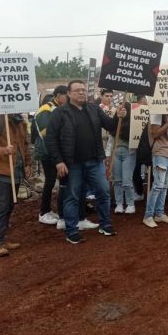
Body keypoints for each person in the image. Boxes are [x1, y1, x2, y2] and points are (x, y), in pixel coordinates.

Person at [46, 80, 124, 244]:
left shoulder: (94, 109)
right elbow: (51, 140)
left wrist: (118, 116)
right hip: (72, 163)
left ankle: (105, 224)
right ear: (68, 93)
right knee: (72, 196)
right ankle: (71, 231)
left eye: (83, 90)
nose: (81, 92)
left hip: (94, 161)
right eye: (77, 90)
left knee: (103, 192)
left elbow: (110, 125)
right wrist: (59, 161)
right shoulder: (59, 113)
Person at [0, 114, 31, 257]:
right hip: (1, 171)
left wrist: (27, 163)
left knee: (9, 206)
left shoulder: (21, 122)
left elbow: (25, 145)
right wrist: (3, 150)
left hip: (17, 171)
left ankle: (2, 237)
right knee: (2, 206)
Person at [34, 85, 68, 225]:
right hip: (47, 152)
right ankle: (43, 212)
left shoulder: (58, 109)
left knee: (56, 181)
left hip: (55, 152)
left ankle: (48, 210)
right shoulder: (46, 109)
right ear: (59, 96)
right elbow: (47, 133)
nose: (68, 98)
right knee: (50, 181)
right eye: (67, 95)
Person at [143, 111, 168, 228]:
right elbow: (154, 134)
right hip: (160, 153)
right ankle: (148, 216)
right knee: (158, 186)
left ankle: (159, 213)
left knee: (164, 186)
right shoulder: (156, 113)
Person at [110, 102, 136, 214]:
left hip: (128, 152)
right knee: (117, 180)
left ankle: (130, 204)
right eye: (120, 107)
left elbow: (129, 134)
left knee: (127, 180)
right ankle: (119, 203)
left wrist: (125, 119)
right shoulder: (116, 119)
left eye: (124, 108)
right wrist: (118, 117)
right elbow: (112, 132)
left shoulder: (133, 122)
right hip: (115, 152)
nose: (122, 109)